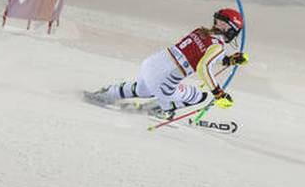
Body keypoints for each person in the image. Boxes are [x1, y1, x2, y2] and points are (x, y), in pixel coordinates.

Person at [90, 9, 247, 118]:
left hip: (150, 66)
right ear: (230, 29)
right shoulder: (217, 46)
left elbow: (203, 55)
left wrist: (229, 60)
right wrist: (218, 93)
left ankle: (107, 93)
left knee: (144, 88)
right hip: (164, 81)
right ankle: (162, 110)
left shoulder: (200, 31)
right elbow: (203, 66)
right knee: (201, 97)